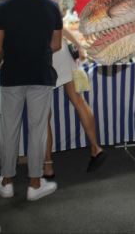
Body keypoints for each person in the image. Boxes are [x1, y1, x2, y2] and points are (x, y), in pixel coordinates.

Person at [0, 0, 62, 202]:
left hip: (12, 75)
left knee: (9, 129)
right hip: (41, 73)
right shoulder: (51, 6)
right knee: (37, 129)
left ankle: (7, 181)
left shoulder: (3, 7)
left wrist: (0, 59)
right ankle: (34, 182)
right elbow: (56, 44)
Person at [43, 25, 106, 178]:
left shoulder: (20, 7)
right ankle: (96, 148)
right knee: (79, 100)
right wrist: (78, 45)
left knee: (43, 114)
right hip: (61, 51)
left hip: (42, 55)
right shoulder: (48, 4)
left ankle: (48, 166)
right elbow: (61, 28)